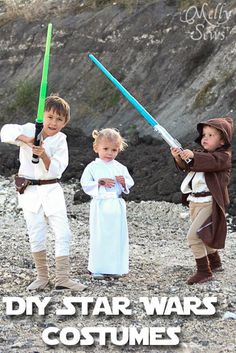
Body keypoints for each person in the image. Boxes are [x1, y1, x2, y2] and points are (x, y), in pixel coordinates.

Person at [0, 95, 86, 291]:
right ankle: (42, 276)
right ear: (43, 116)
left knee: (63, 232)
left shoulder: (61, 140)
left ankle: (62, 277)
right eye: (50, 117)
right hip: (29, 190)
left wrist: (43, 154)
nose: (53, 123)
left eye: (59, 119)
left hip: (51, 189)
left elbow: (57, 169)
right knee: (36, 232)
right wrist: (27, 141)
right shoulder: (31, 128)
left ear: (65, 123)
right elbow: (5, 131)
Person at [171, 117, 233, 285]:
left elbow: (210, 163)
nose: (205, 138)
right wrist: (179, 157)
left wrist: (193, 155)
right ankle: (215, 262)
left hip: (209, 203)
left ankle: (204, 272)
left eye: (211, 135)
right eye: (204, 134)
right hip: (195, 202)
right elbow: (188, 166)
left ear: (222, 141)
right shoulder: (203, 156)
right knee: (204, 234)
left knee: (194, 236)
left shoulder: (223, 157)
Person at [80, 128, 134, 279]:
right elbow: (85, 184)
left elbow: (129, 182)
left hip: (116, 205)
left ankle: (116, 267)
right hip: (100, 204)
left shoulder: (120, 167)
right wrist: (99, 183)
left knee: (117, 237)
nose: (110, 153)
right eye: (106, 149)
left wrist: (124, 183)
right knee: (100, 235)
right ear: (96, 147)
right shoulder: (92, 167)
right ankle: (97, 267)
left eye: (114, 150)